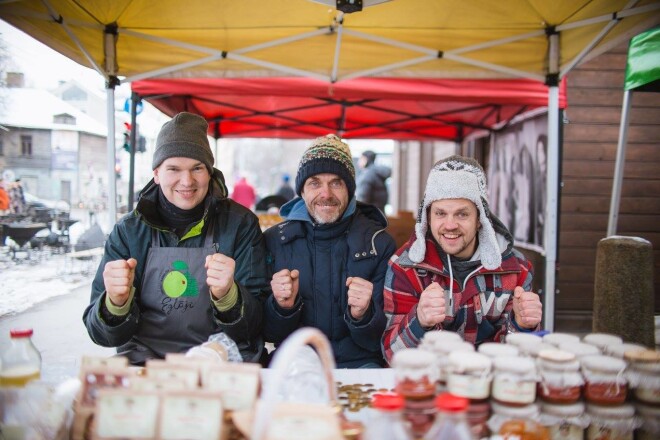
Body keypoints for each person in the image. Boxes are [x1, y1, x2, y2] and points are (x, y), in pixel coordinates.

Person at [83, 112, 269, 365]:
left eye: (197, 168)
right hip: (148, 364)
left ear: (210, 172)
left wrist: (229, 296)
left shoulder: (239, 225)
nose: (187, 181)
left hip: (223, 362)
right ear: (157, 173)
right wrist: (114, 304)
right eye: (174, 169)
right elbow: (101, 335)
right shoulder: (128, 232)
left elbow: (257, 324)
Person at [382, 155, 542, 364]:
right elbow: (391, 355)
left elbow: (520, 361)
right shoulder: (405, 267)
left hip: (487, 382)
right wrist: (419, 321)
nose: (450, 225)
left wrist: (521, 327)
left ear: (480, 219)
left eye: (462, 214)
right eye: (440, 213)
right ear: (427, 218)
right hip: (429, 382)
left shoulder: (516, 269)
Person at [263, 134, 397, 368]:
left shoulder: (379, 244)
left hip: (360, 364)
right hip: (295, 362)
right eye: (315, 183)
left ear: (350, 190)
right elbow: (267, 333)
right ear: (302, 191)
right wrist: (282, 308)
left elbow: (383, 339)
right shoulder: (274, 241)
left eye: (336, 182)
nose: (326, 194)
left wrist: (363, 315)